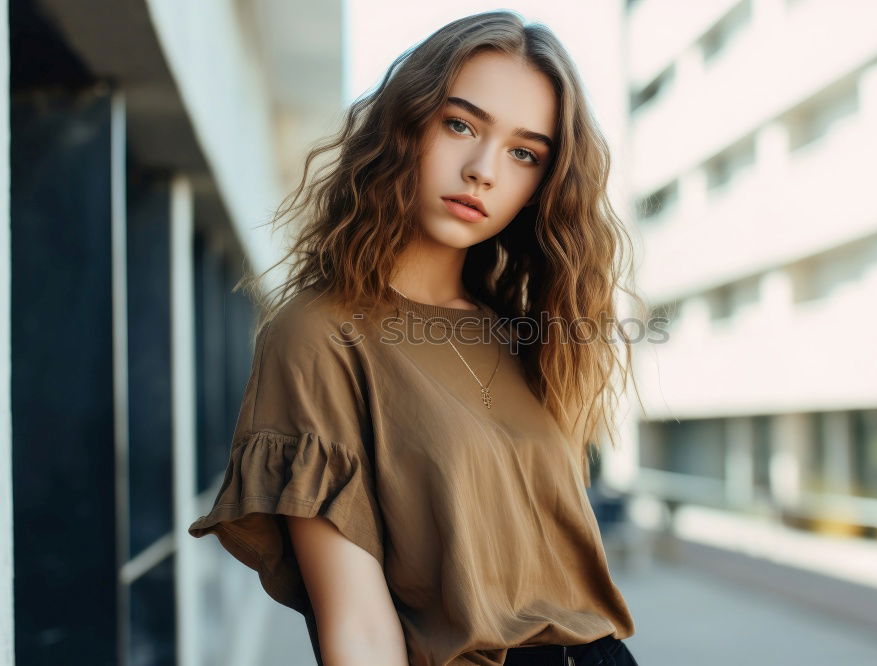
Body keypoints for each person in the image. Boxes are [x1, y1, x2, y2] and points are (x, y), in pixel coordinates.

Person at [188, 9, 646, 666]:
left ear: (541, 185)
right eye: (460, 125)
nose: (484, 169)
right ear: (406, 126)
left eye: (524, 153)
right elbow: (359, 629)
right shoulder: (319, 335)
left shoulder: (525, 331)